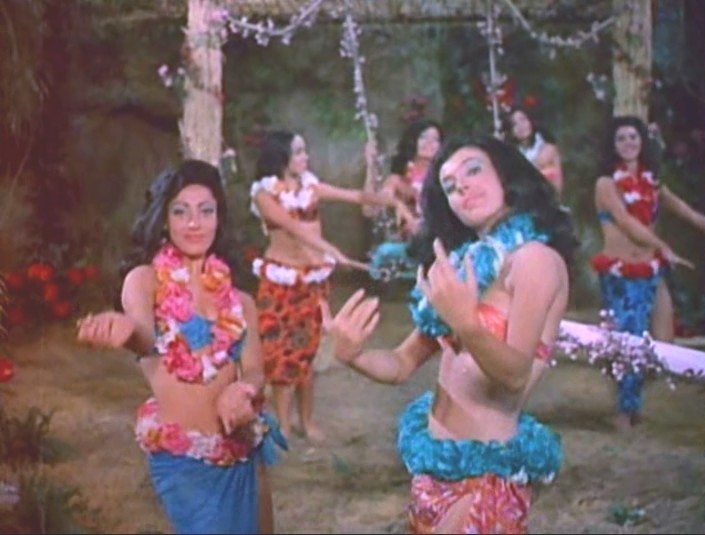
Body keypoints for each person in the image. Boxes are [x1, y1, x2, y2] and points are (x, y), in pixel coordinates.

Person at [323, 135, 577, 533]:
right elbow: (401, 363)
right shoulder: (465, 267)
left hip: (484, 479)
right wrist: (353, 354)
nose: (463, 188)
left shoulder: (535, 261)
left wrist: (466, 324)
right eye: (450, 186)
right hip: (434, 465)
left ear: (506, 174)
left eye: (474, 170)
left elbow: (514, 376)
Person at [77, 160, 284, 534]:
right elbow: (145, 338)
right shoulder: (144, 281)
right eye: (180, 211)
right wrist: (125, 330)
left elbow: (255, 370)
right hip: (183, 464)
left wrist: (243, 389)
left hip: (240, 457)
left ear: (219, 219)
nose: (194, 223)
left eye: (206, 211)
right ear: (164, 219)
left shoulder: (240, 300)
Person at [250, 129, 397, 443]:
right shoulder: (264, 194)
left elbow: (358, 198)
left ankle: (307, 422)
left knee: (310, 353)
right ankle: (283, 425)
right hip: (280, 285)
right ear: (281, 157)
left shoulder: (311, 187)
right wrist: (331, 250)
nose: (306, 157)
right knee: (281, 355)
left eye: (305, 150)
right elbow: (292, 227)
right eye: (299, 151)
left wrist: (373, 172)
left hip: (313, 284)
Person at [591, 115, 705, 430]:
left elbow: (687, 212)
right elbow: (626, 222)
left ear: (642, 142)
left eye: (633, 137)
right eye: (621, 138)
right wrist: (663, 247)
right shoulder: (606, 184)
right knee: (628, 342)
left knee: (664, 340)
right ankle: (624, 410)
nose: (628, 143)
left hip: (651, 269)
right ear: (613, 145)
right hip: (621, 274)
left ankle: (631, 397)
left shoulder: (652, 183)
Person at [362, 119, 443, 280]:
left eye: (436, 139)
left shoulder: (446, 175)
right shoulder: (398, 181)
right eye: (423, 137)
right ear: (413, 140)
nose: (430, 143)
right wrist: (371, 167)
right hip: (412, 247)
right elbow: (370, 210)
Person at [506, 106, 564, 194]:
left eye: (523, 119)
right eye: (514, 124)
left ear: (530, 121)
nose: (520, 126)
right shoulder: (513, 153)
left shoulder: (547, 148)